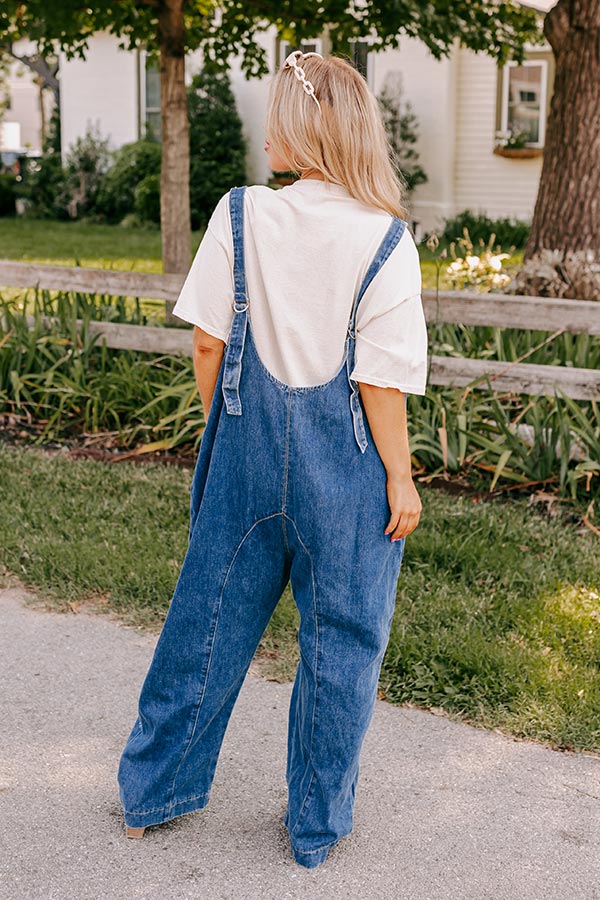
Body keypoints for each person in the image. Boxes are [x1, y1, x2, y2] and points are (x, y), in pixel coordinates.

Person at [117, 49, 428, 870]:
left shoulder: (242, 213)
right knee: (341, 645)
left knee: (207, 623)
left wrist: (228, 413)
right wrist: (399, 475)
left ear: (299, 129)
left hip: (246, 451)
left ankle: (154, 793)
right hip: (349, 473)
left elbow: (208, 340)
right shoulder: (387, 241)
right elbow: (381, 382)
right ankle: (315, 827)